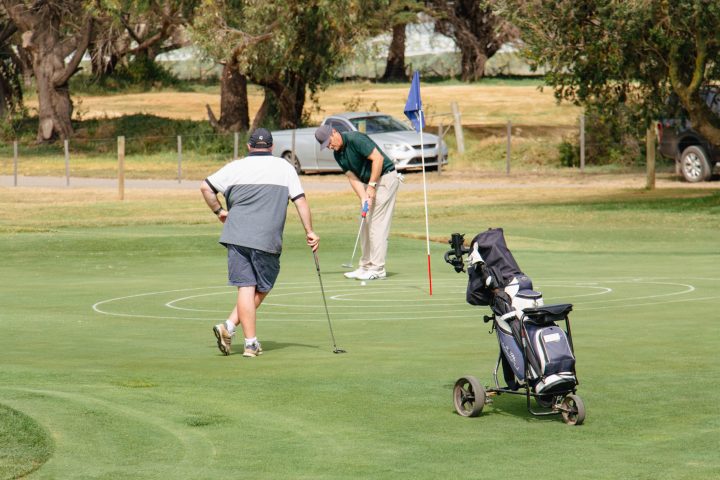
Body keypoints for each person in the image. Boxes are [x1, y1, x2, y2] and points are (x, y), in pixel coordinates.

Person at [201, 128, 319, 357]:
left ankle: (235, 331)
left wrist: (219, 212)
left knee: (246, 287)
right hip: (266, 238)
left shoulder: (235, 167)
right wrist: (310, 231)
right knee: (262, 287)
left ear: (249, 146)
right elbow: (300, 201)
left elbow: (205, 187)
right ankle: (248, 342)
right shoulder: (285, 167)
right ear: (272, 147)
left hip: (235, 236)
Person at [314, 124, 400, 280]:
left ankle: (378, 268)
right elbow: (352, 176)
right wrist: (363, 197)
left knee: (376, 224)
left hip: (385, 178)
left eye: (329, 142)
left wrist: (372, 186)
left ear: (334, 132)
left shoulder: (356, 139)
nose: (330, 146)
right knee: (365, 221)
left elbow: (378, 159)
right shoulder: (338, 154)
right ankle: (365, 266)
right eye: (326, 145)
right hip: (370, 182)